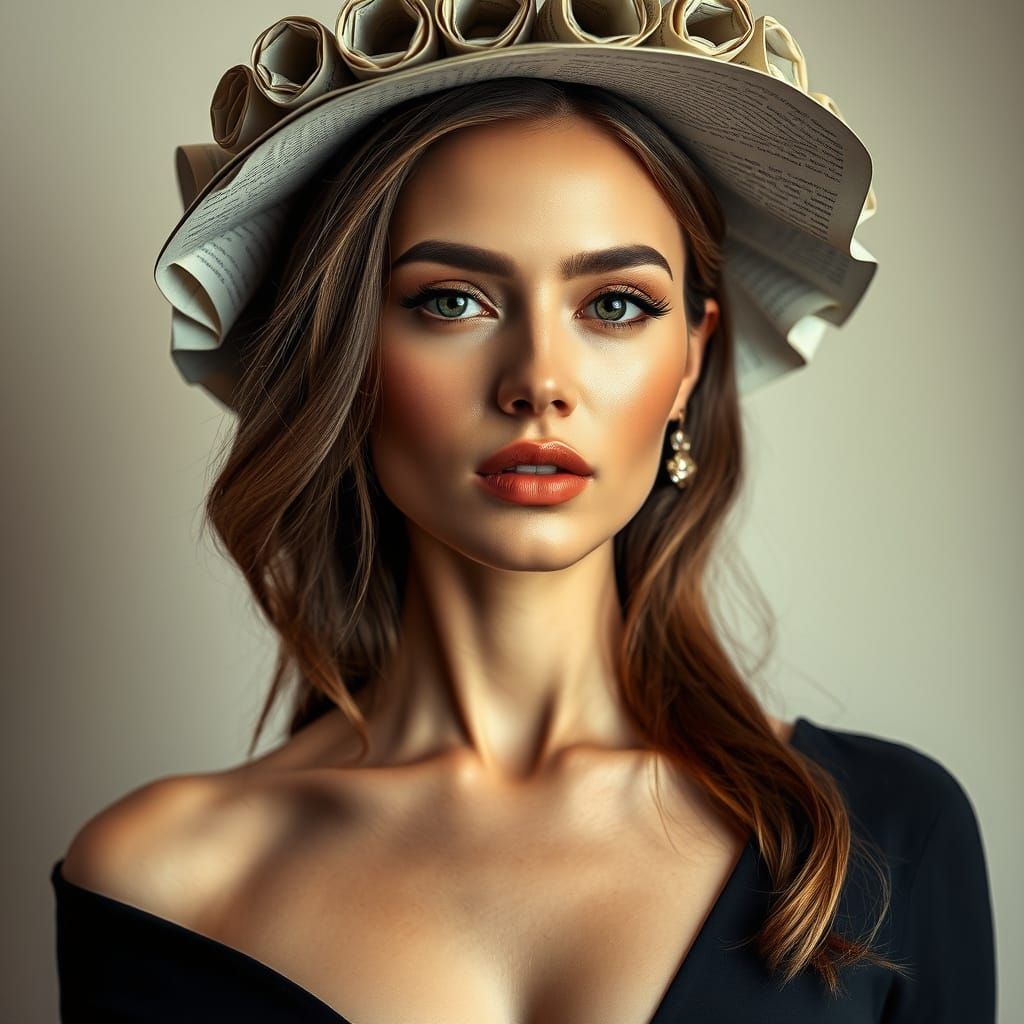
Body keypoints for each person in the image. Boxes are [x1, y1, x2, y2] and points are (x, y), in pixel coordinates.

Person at [51, 5, 996, 1022]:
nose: (539, 381)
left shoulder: (883, 836)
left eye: (616, 305)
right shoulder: (162, 881)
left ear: (689, 361)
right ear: (346, 358)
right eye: (452, 299)